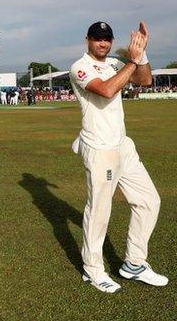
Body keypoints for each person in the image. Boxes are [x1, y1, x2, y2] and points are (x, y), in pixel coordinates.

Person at [70, 21, 167, 293]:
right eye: (98, 39)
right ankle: (93, 270)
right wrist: (131, 62)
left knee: (149, 201)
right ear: (87, 39)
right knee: (99, 210)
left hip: (123, 145)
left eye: (107, 39)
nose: (103, 43)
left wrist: (142, 56)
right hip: (100, 148)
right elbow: (106, 90)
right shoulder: (80, 67)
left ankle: (134, 263)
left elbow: (145, 80)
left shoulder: (115, 62)